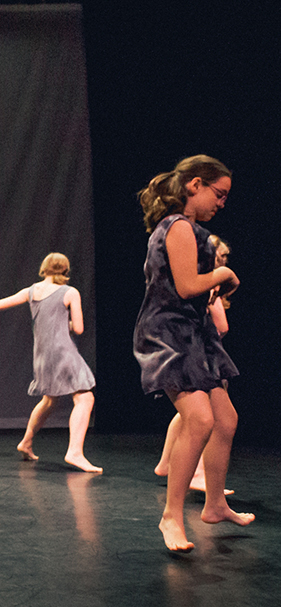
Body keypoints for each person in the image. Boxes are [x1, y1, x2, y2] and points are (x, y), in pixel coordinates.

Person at [132, 155, 251, 552]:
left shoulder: (191, 229)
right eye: (219, 194)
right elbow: (185, 286)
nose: (221, 203)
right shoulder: (179, 226)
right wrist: (221, 274)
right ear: (194, 185)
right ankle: (171, 515)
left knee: (226, 419)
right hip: (169, 333)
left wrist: (218, 286)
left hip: (193, 331)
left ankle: (214, 505)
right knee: (199, 419)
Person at [0, 253, 100, 472]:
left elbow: (0, 304)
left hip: (42, 355)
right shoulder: (70, 292)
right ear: (65, 271)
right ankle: (74, 451)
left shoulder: (32, 291)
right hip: (63, 351)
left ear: (44, 269)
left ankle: (26, 442)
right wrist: (66, 322)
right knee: (85, 397)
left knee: (49, 400)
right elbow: (80, 328)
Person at [153, 236, 231, 493]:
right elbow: (222, 326)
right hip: (205, 353)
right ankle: (196, 474)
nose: (222, 260)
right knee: (205, 418)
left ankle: (166, 462)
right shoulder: (206, 285)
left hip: (198, 350)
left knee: (192, 414)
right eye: (219, 257)